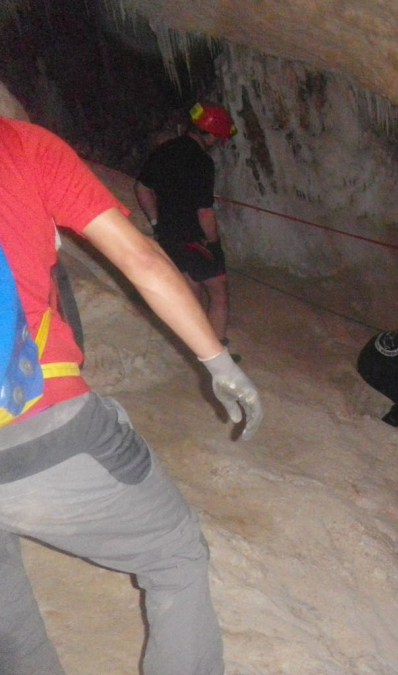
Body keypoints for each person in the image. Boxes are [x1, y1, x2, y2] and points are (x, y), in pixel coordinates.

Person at [0, 115, 263, 675]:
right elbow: (141, 261)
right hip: (38, 419)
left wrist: (158, 216)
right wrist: (218, 362)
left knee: (10, 627)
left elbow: (145, 190)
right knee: (175, 555)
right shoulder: (21, 144)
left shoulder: (164, 154)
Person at [135, 102, 237, 353]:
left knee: (191, 291)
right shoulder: (202, 162)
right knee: (219, 293)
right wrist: (214, 243)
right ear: (210, 134)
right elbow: (204, 212)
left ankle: (196, 349)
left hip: (169, 236)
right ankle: (218, 352)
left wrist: (157, 222)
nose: (218, 142)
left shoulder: (164, 150)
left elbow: (142, 188)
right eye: (218, 137)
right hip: (196, 238)